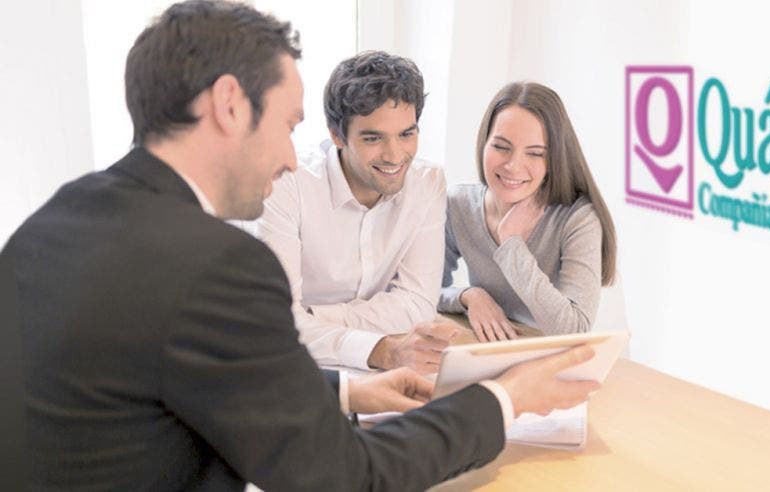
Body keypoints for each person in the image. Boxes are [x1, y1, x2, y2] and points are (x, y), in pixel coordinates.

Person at [0, 2, 599, 490]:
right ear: (230, 106)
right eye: (288, 125)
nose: (292, 156)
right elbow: (343, 474)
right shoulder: (215, 264)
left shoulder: (56, 219)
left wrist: (345, 388)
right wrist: (504, 398)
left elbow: (178, 374)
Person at [259, 51, 450, 373]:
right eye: (373, 138)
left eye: (407, 133)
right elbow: (278, 322)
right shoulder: (285, 184)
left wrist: (315, 317)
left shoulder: (427, 183)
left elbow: (418, 305)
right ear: (336, 135)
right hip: (284, 362)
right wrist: (380, 350)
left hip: (375, 364)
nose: (394, 155)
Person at [438, 82, 618, 342]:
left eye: (534, 153)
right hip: (486, 351)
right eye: (501, 147)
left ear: (553, 160)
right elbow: (422, 293)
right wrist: (469, 296)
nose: (513, 165)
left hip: (551, 361)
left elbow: (573, 330)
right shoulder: (458, 204)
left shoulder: (577, 219)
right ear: (484, 143)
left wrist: (511, 245)